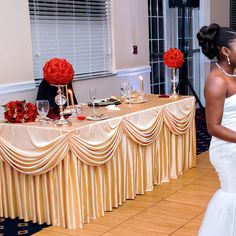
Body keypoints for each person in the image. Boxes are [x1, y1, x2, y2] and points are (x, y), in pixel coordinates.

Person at [197, 23, 236, 235]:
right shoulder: (217, 81)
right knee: (233, 197)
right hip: (229, 151)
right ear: (225, 51)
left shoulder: (233, 74)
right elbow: (213, 127)